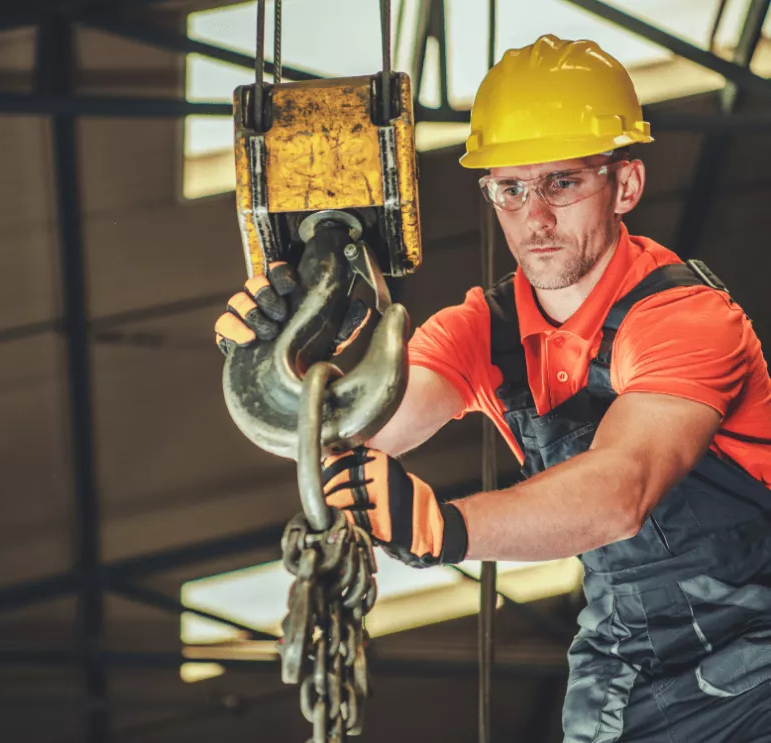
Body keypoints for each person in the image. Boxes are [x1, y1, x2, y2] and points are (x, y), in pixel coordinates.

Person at [215, 34, 771, 743]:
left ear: (625, 184)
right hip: (623, 679)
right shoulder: (481, 330)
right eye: (511, 188)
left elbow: (621, 491)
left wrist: (446, 526)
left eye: (562, 183)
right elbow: (352, 437)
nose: (534, 217)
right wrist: (281, 349)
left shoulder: (684, 319)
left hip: (756, 666)